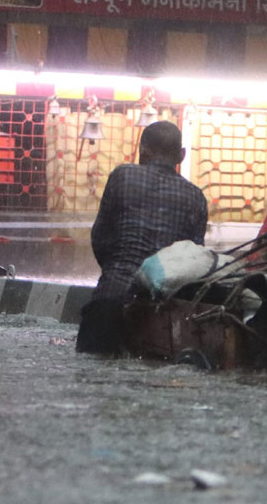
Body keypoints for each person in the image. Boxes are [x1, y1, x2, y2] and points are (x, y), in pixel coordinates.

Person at [77, 120, 208, 354]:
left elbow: (100, 237)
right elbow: (193, 261)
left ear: (143, 149)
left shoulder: (123, 176)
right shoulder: (196, 197)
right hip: (165, 315)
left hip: (112, 298)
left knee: (92, 379)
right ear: (182, 155)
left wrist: (116, 270)